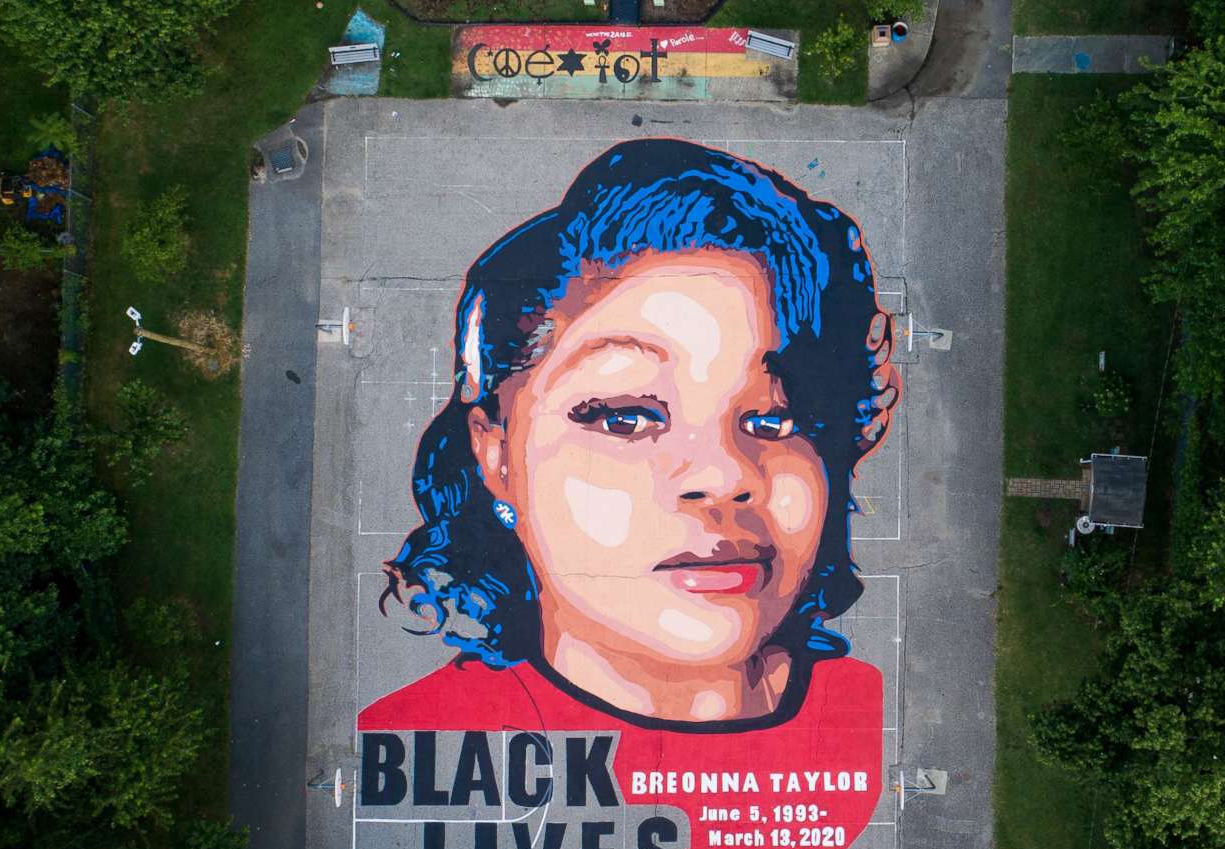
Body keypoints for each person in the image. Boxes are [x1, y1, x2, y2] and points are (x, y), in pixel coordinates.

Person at [376, 137, 897, 733]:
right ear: (495, 456)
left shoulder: (896, 723)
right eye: (626, 418)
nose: (725, 477)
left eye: (774, 421)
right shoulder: (416, 735)